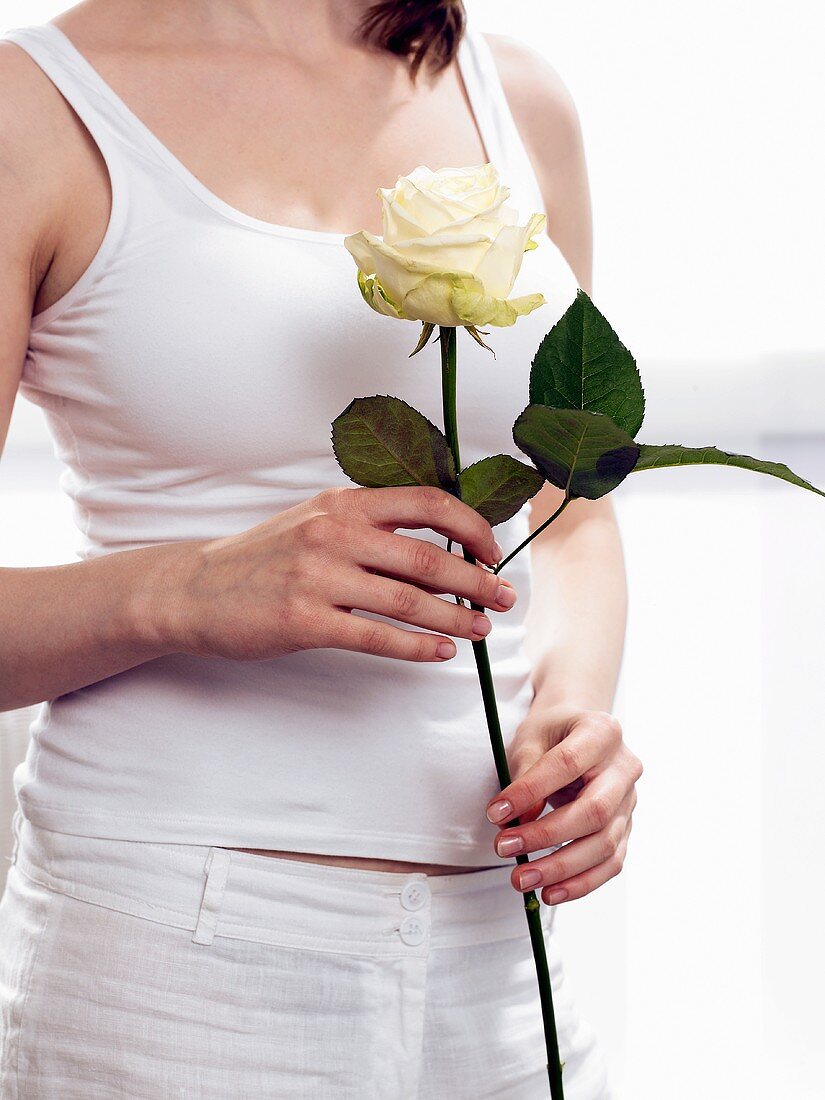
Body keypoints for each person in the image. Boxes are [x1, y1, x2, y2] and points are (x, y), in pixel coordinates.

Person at [0, 0, 643, 1095]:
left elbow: (572, 508)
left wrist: (572, 712)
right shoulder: (35, 109)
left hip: (501, 962)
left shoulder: (517, 99)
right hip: (172, 971)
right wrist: (182, 588)